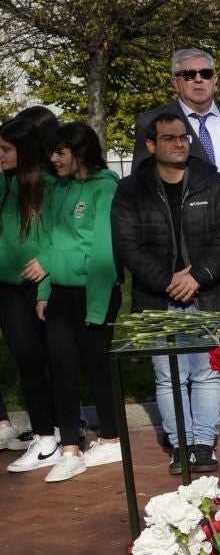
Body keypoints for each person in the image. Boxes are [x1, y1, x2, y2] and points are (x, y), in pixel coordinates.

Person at [133, 48, 220, 431]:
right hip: (182, 244)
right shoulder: (154, 122)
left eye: (205, 72)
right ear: (175, 81)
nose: (198, 79)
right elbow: (146, 188)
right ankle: (190, 413)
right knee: (192, 329)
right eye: (188, 74)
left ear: (215, 78)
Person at [113, 110, 220, 473]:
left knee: (206, 373)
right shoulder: (131, 189)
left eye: (183, 137)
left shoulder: (212, 182)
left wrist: (198, 275)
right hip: (158, 299)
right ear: (151, 145)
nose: (179, 143)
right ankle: (180, 445)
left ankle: (204, 444)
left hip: (209, 293)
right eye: (169, 138)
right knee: (169, 376)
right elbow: (128, 244)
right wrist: (168, 280)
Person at [35, 123, 122, 482]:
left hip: (94, 292)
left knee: (96, 366)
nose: (54, 160)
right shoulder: (60, 189)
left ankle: (113, 438)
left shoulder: (106, 189)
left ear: (80, 152)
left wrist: (98, 307)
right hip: (60, 292)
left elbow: (104, 250)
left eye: (60, 152)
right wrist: (44, 291)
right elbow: (49, 240)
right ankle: (70, 447)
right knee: (62, 368)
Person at [1, 108, 61, 474]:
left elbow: (67, 235)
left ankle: (49, 439)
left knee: (43, 362)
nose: (1, 155)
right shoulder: (6, 184)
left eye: (6, 149)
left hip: (38, 289)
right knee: (28, 362)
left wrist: (48, 270)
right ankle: (46, 430)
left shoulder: (50, 187)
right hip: (8, 289)